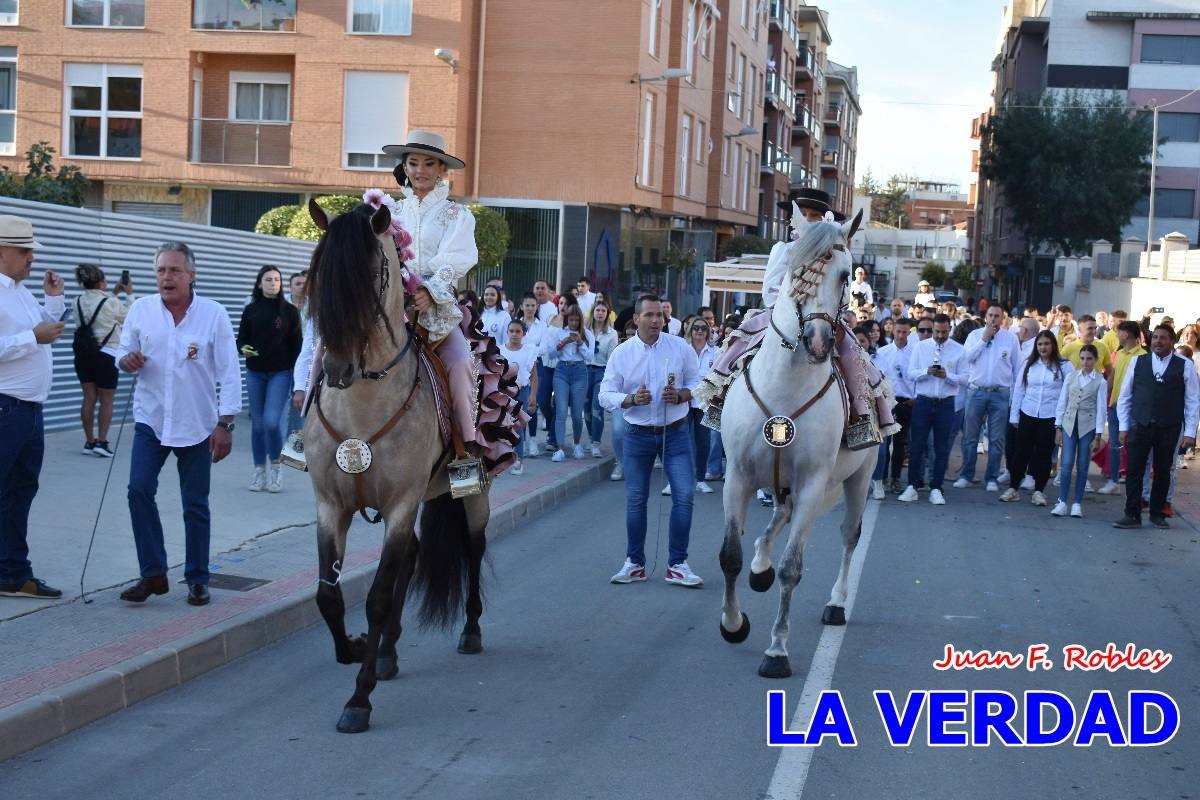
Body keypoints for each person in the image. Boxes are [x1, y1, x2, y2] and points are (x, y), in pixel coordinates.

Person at [115, 242, 241, 607]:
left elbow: (230, 370)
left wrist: (225, 424)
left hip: (198, 425)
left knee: (195, 504)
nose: (166, 277)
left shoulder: (213, 314)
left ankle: (198, 579)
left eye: (174, 270)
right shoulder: (140, 310)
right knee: (138, 490)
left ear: (191, 275)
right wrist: (127, 360)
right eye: (160, 271)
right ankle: (153, 573)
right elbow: (122, 351)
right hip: (150, 420)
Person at [379, 131, 483, 455]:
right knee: (331, 345)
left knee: (461, 362)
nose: (420, 170)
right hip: (388, 307)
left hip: (435, 312)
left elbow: (456, 259)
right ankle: (306, 433)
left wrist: (428, 290)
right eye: (413, 163)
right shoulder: (388, 212)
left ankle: (464, 451)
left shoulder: (457, 215)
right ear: (405, 167)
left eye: (429, 163)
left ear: (441, 170)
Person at [600, 295, 703, 587]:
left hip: (676, 432)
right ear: (637, 319)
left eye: (660, 315)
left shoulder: (680, 347)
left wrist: (682, 395)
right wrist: (631, 399)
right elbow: (604, 394)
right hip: (637, 435)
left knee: (684, 495)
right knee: (636, 500)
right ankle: (634, 563)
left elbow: (701, 383)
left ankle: (678, 564)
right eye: (650, 315)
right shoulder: (622, 353)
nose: (657, 320)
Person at [0, 215, 66, 599]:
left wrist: (54, 301)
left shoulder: (20, 291)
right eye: (24, 251)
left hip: (27, 410)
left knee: (19, 492)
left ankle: (12, 573)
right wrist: (32, 337)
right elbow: (31, 338)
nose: (31, 259)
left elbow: (46, 332)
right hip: (6, 408)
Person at [1114, 325, 1199, 530]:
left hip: (1168, 426)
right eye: (1155, 338)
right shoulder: (1138, 361)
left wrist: (1190, 433)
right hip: (1140, 424)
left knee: (1163, 471)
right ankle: (1132, 514)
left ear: (1172, 342)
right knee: (1134, 470)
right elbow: (1125, 396)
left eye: (1163, 338)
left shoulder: (1185, 365)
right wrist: (1124, 427)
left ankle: (1157, 513)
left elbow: (1192, 401)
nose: (1158, 342)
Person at [237, 264, 302, 493]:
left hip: (281, 373)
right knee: (257, 424)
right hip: (255, 373)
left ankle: (276, 467)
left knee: (271, 421)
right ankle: (259, 472)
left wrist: (298, 382)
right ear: (259, 283)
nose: (273, 283)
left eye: (276, 279)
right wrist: (243, 348)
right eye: (268, 279)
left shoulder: (290, 311)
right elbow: (241, 339)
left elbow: (297, 348)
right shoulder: (251, 309)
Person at [898, 314, 965, 506]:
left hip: (946, 402)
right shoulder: (920, 347)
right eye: (937, 331)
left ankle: (937, 487)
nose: (940, 335)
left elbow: (966, 378)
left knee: (941, 447)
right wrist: (926, 371)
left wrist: (948, 376)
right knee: (916, 444)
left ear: (949, 329)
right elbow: (911, 374)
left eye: (944, 332)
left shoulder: (959, 350)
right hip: (923, 401)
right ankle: (912, 485)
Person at [1000, 331, 1072, 506]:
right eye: (1040, 344)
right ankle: (1013, 488)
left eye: (1046, 344)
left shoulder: (1065, 366)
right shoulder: (1029, 364)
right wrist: (1014, 415)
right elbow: (1019, 390)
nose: (1043, 347)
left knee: (1044, 454)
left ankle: (1039, 490)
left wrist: (1061, 423)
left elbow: (1068, 394)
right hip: (1028, 412)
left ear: (1053, 345)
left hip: (1051, 415)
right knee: (1021, 452)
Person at [955, 305, 1021, 492]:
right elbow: (967, 358)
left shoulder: (1011, 338)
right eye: (990, 315)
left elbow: (1017, 368)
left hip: (1000, 393)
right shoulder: (975, 335)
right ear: (985, 317)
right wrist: (984, 339)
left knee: (996, 438)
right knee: (970, 436)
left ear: (1003, 319)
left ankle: (991, 477)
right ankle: (966, 475)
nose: (993, 319)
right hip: (976, 392)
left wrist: (1014, 397)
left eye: (997, 316)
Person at [72, 263, 134, 458]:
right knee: (107, 400)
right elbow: (130, 317)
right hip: (107, 354)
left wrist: (113, 293)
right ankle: (102, 442)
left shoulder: (77, 301)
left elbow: (98, 307)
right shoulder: (111, 302)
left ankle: (89, 443)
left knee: (88, 398)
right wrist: (129, 293)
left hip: (83, 355)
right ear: (100, 282)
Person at [1052, 344, 1107, 518]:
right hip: (1069, 424)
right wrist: (1058, 426)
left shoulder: (1100, 381)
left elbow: (1101, 409)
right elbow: (1063, 401)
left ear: (1095, 360)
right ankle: (1062, 501)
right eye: (1082, 358)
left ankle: (1077, 503)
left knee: (1082, 465)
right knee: (1066, 463)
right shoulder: (1070, 377)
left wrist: (1098, 434)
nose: (1085, 362)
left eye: (1089, 358)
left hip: (1087, 426)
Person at [872, 317, 915, 496]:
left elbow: (918, 376)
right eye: (898, 331)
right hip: (887, 402)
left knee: (900, 443)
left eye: (905, 332)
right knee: (884, 443)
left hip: (906, 402)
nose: (901, 335)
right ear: (892, 331)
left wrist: (916, 397)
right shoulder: (883, 352)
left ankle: (896, 478)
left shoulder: (914, 352)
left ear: (909, 333)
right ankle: (880, 479)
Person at [549, 304, 594, 461]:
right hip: (562, 370)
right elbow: (551, 353)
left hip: (580, 371)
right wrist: (561, 344)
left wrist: (580, 343)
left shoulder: (587, 334)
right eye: (570, 320)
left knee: (576, 413)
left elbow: (589, 357)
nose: (573, 323)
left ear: (580, 320)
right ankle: (559, 448)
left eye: (576, 320)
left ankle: (576, 444)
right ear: (566, 319)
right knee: (561, 411)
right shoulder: (559, 332)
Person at [499, 319, 538, 476]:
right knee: (501, 424)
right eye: (511, 331)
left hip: (521, 390)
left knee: (518, 425)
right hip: (502, 391)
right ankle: (501, 458)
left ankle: (519, 459)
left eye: (518, 331)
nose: (514, 334)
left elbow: (534, 376)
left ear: (524, 334)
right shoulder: (500, 350)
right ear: (507, 332)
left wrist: (533, 396)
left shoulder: (529, 351)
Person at [686, 316, 717, 494]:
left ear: (708, 332)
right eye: (696, 328)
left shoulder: (716, 352)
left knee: (703, 442)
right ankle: (676, 479)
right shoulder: (683, 350)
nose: (699, 331)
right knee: (681, 441)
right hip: (683, 401)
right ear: (690, 330)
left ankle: (700, 479)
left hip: (705, 403)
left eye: (703, 328)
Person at [586, 298, 618, 457]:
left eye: (603, 311)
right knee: (585, 408)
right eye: (597, 310)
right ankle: (591, 437)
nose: (600, 313)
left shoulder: (612, 334)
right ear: (593, 312)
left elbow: (612, 358)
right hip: (584, 370)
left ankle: (596, 443)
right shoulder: (584, 330)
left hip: (601, 371)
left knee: (596, 407)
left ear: (607, 314)